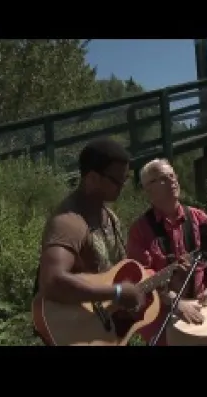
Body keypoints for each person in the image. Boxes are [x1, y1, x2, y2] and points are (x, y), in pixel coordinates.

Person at [34, 138, 144, 343]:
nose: (122, 186)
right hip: (76, 333)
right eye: (116, 181)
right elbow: (52, 282)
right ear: (92, 178)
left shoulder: (110, 217)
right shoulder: (69, 222)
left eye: (125, 179)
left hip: (102, 331)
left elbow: (112, 272)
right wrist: (118, 292)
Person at [126, 158, 207, 346]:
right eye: (163, 178)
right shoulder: (140, 230)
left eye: (172, 175)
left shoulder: (199, 218)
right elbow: (142, 277)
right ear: (148, 189)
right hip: (162, 322)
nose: (172, 180)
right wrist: (175, 303)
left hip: (202, 314)